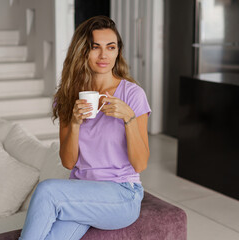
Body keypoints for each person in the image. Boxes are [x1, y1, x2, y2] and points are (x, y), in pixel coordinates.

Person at [19, 15, 151, 240]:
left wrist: (128, 119)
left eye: (111, 47)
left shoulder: (132, 95)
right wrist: (75, 123)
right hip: (80, 191)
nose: (103, 55)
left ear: (118, 51)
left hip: (122, 194)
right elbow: (68, 162)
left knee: (47, 191)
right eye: (95, 47)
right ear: (83, 51)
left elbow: (140, 163)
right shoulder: (68, 98)